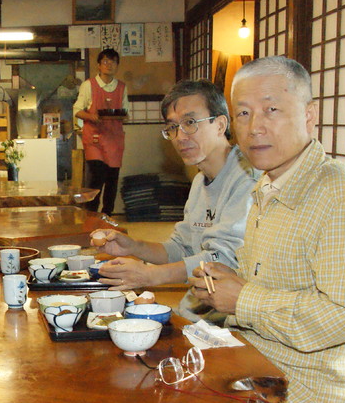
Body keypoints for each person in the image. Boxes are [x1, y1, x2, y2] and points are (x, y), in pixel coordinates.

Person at [191, 56, 345, 403]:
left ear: (309, 115)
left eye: (272, 109)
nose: (255, 125)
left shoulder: (340, 195)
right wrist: (223, 286)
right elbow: (266, 285)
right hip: (259, 372)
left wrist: (243, 298)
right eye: (243, 112)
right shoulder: (267, 184)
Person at [95, 79, 258, 321]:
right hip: (196, 313)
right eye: (172, 127)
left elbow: (224, 258)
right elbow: (181, 248)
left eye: (190, 123)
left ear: (220, 124)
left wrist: (150, 276)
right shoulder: (199, 182)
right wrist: (133, 246)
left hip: (231, 322)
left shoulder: (247, 178)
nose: (179, 136)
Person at [74, 48, 130, 215]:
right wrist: (91, 116)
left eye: (113, 62)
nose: (109, 65)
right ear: (98, 65)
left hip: (114, 140)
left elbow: (126, 114)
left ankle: (107, 216)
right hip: (95, 139)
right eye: (105, 61)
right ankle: (90, 216)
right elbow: (77, 110)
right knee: (95, 180)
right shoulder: (88, 85)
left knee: (112, 180)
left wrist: (120, 116)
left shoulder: (121, 87)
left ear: (117, 65)